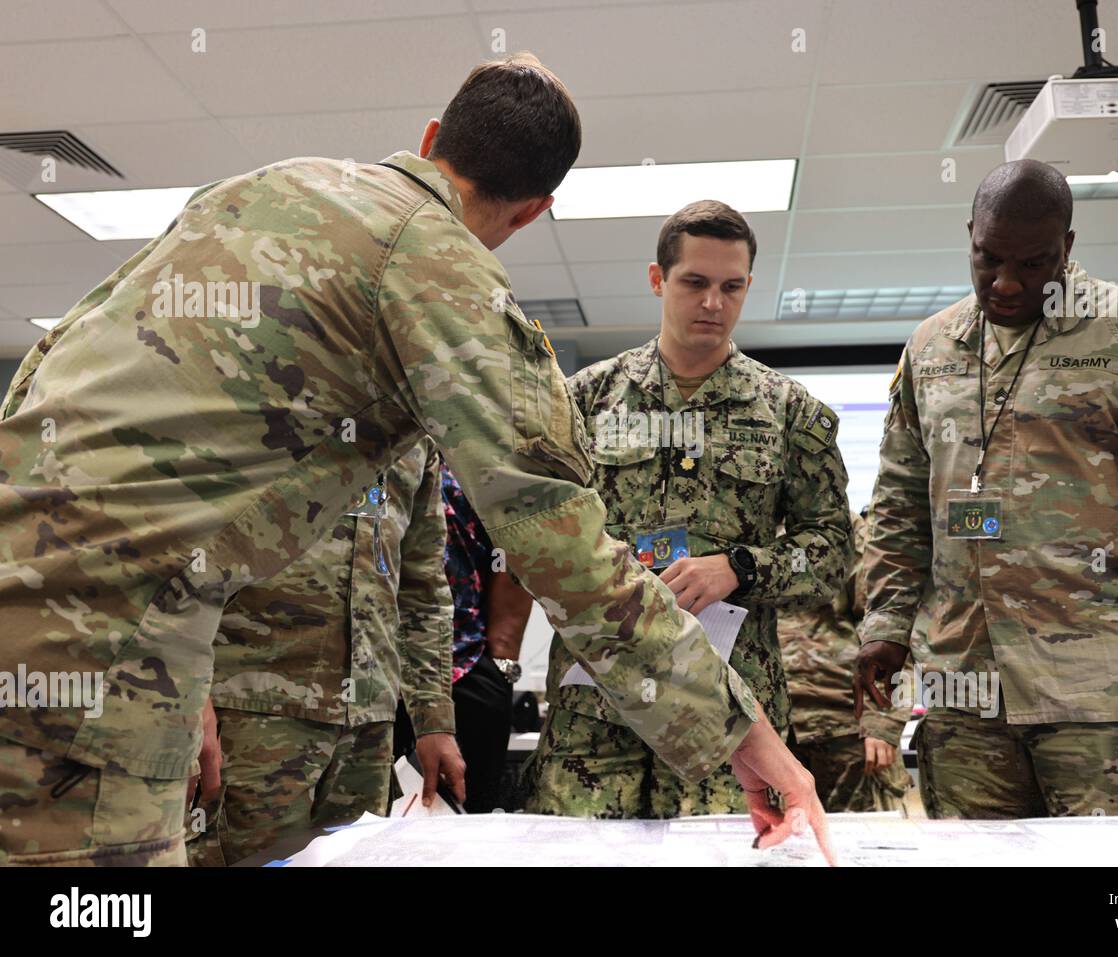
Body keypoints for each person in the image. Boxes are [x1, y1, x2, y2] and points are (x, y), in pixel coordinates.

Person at [0, 54, 829, 866]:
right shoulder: (445, 272)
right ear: (536, 211)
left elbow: (49, 368)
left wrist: (176, 656)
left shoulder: (263, 188)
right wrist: (751, 741)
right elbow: (565, 553)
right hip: (104, 639)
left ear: (432, 136)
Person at [855, 159, 1118, 819]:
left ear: (1067, 247)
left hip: (1106, 703)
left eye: (1033, 262)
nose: (1007, 282)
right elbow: (901, 508)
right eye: (987, 259)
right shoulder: (932, 347)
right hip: (966, 700)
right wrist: (887, 624)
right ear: (970, 236)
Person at [527, 200, 853, 818]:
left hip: (731, 716)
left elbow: (833, 554)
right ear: (658, 280)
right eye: (695, 283)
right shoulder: (583, 402)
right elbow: (536, 539)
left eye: (731, 287)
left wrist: (741, 567)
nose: (713, 303)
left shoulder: (791, 414)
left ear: (748, 287)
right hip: (598, 715)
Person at [182, 438, 463, 864]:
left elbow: (423, 586)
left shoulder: (412, 430)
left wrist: (433, 720)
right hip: (250, 711)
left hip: (367, 729)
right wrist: (187, 692)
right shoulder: (264, 392)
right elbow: (180, 551)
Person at [780, 508, 912, 812]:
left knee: (861, 850)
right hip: (760, 733)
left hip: (844, 727)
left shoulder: (840, 527)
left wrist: (882, 718)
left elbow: (888, 624)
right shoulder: (730, 532)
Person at [441, 462, 534, 813]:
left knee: (467, 816)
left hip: (466, 664)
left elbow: (512, 547)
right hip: (375, 669)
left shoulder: (471, 455)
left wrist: (501, 663)